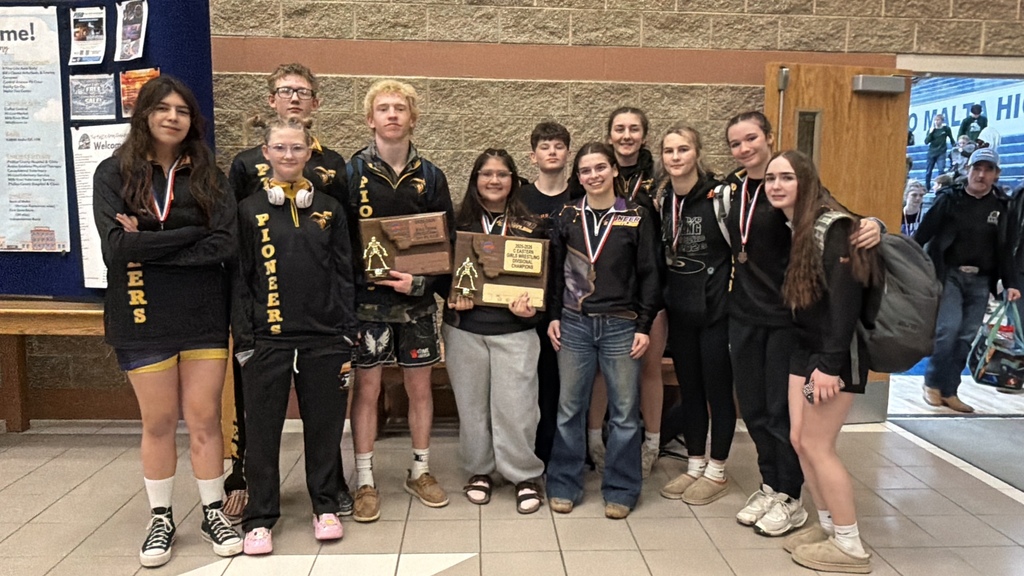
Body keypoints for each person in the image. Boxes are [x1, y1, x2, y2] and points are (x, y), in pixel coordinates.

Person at [92, 75, 242, 567]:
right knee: (157, 422)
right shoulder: (112, 173)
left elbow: (224, 243)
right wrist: (188, 233)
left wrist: (150, 240)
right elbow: (117, 249)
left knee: (203, 419)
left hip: (202, 312)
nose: (173, 117)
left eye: (182, 110)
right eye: (164, 108)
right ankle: (161, 517)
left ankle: (213, 511)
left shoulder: (207, 176)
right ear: (145, 115)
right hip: (141, 312)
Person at [723, 111, 881, 537]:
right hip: (746, 316)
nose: (744, 149)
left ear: (768, 138)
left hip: (789, 324)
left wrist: (875, 225)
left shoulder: (809, 198)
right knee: (755, 411)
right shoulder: (731, 192)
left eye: (751, 139)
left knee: (785, 419)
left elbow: (849, 225)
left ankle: (791, 496)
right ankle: (771, 484)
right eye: (735, 144)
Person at [225, 62, 352, 521]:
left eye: (303, 91)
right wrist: (245, 328)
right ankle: (246, 481)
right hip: (267, 320)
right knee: (259, 410)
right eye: (285, 90)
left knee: (324, 410)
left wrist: (344, 318)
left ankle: (329, 485)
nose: (294, 98)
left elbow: (346, 246)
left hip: (320, 320)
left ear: (315, 103)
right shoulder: (245, 166)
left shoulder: (333, 167)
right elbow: (236, 251)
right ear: (271, 100)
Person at [764, 150, 880, 574]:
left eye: (787, 177)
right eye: (771, 178)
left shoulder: (834, 227)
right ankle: (829, 527)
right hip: (805, 349)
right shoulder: (798, 225)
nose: (777, 185)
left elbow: (846, 302)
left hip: (833, 356)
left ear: (807, 181)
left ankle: (850, 546)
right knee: (799, 439)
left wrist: (830, 365)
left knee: (818, 444)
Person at [347, 79, 455, 522]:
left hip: (416, 304)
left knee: (418, 387)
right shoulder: (349, 173)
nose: (392, 115)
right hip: (365, 304)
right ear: (370, 119)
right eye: (384, 108)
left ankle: (420, 470)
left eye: (401, 108)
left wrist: (421, 284)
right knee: (368, 388)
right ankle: (366, 479)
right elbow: (336, 242)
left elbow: (445, 245)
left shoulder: (430, 176)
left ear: (413, 118)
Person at [546, 142, 661, 519]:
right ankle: (564, 482)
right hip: (574, 324)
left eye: (599, 167)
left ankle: (622, 488)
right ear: (577, 177)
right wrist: (553, 316)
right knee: (569, 408)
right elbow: (555, 272)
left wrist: (644, 325)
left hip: (621, 325)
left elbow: (649, 275)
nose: (592, 175)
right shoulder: (567, 215)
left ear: (613, 170)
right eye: (584, 171)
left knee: (625, 412)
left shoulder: (637, 216)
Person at [444, 149, 547, 514]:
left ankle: (524, 475)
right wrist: (454, 296)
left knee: (517, 409)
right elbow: (444, 274)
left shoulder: (532, 225)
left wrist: (532, 307)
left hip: (515, 330)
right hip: (465, 330)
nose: (494, 180)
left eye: (502, 174)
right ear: (475, 181)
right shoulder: (457, 224)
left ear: (513, 180)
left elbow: (543, 281)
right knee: (472, 408)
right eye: (486, 174)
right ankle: (479, 471)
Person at [653, 124, 736, 506]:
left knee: (718, 392)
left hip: (717, 311)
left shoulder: (721, 197)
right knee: (690, 390)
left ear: (697, 153)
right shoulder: (662, 199)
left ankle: (717, 471)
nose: (675, 157)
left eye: (683, 149)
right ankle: (695, 464)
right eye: (669, 151)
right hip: (682, 310)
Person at [588, 107, 667, 479]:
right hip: (609, 291)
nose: (626, 135)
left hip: (651, 286)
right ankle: (596, 443)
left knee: (650, 368)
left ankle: (651, 444)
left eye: (634, 129)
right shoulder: (595, 173)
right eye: (619, 129)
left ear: (645, 137)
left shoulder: (661, 178)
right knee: (603, 372)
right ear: (609, 136)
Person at [914, 148, 1021, 413]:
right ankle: (932, 384)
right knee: (947, 330)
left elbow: (1006, 248)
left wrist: (1011, 283)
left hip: (981, 279)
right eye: (977, 169)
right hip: (948, 274)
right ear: (967, 170)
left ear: (996, 175)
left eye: (987, 170)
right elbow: (922, 234)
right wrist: (909, 267)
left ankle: (950, 390)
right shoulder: (948, 199)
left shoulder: (1001, 206)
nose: (981, 175)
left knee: (967, 336)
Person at [519, 121, 575, 467]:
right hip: (528, 304)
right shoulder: (522, 198)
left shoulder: (579, 195)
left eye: (558, 146)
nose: (552, 152)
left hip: (571, 302)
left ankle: (563, 452)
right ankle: (533, 450)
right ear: (533, 155)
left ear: (568, 152)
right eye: (545, 146)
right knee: (532, 379)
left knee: (563, 382)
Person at [924, 114, 954, 190]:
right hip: (932, 152)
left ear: (942, 121)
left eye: (938, 120)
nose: (936, 122)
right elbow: (926, 141)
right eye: (935, 120)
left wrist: (955, 146)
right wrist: (931, 132)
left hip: (941, 152)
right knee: (928, 171)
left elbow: (951, 138)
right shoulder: (932, 129)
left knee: (941, 170)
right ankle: (927, 187)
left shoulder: (946, 129)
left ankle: (941, 187)